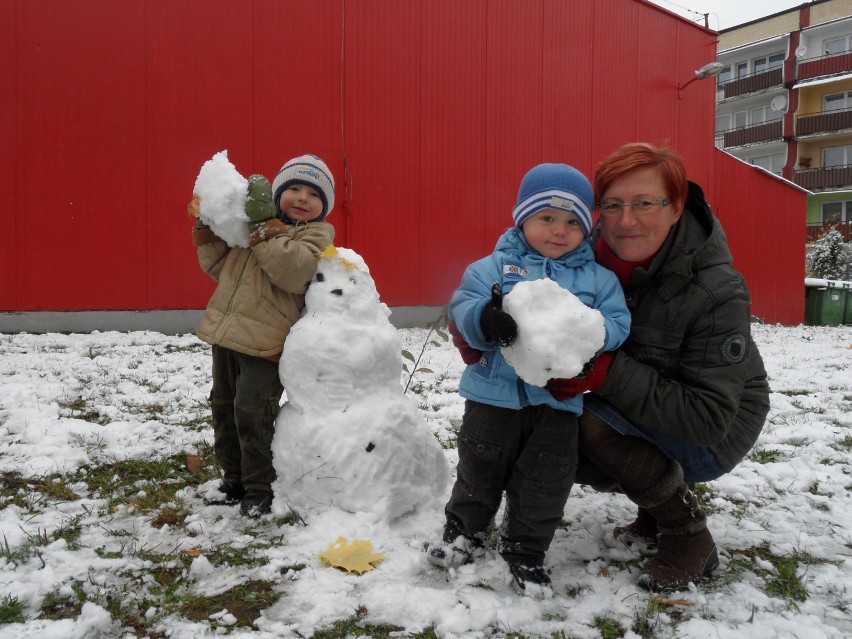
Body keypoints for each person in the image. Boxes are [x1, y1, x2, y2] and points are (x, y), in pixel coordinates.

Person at [571, 142, 771, 591]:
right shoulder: (580, 258)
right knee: (547, 424)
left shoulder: (716, 287)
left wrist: (603, 373)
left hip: (720, 425)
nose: (626, 220)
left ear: (676, 207)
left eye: (645, 203)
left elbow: (707, 419)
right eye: (613, 205)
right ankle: (654, 507)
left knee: (586, 428)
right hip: (642, 400)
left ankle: (688, 534)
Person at [429, 163, 631, 597]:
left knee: (546, 480)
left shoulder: (598, 280)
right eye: (548, 218)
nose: (560, 230)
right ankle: (465, 532)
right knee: (479, 471)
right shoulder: (494, 267)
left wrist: (591, 333)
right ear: (523, 217)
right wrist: (486, 318)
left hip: (557, 404)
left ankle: (525, 551)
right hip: (492, 396)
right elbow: (464, 304)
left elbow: (618, 321)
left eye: (574, 222)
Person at [189, 154, 336, 518]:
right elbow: (220, 267)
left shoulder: (315, 235)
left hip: (267, 343)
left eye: (313, 194)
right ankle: (234, 478)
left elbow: (292, 271)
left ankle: (260, 486)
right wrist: (210, 227)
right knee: (223, 406)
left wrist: (262, 226)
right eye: (294, 189)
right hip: (228, 334)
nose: (302, 198)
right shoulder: (253, 230)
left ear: (324, 206)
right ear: (277, 193)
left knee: (252, 412)